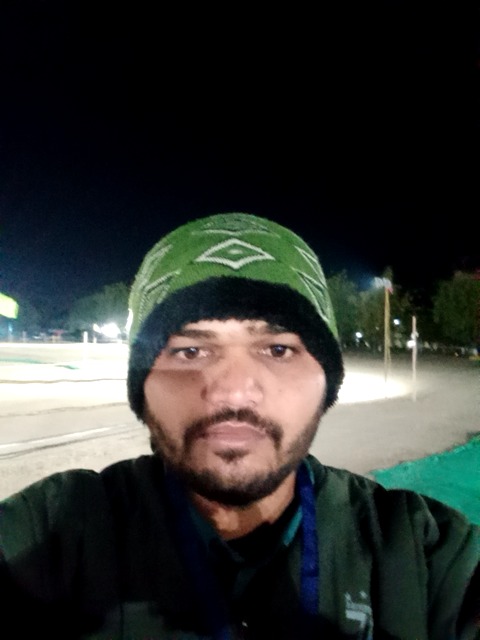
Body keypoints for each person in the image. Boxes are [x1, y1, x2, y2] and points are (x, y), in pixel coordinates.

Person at [0, 212, 478, 639]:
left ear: (326, 380)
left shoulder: (424, 556)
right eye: (190, 351)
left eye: (278, 349)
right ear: (142, 385)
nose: (232, 392)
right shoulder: (53, 533)